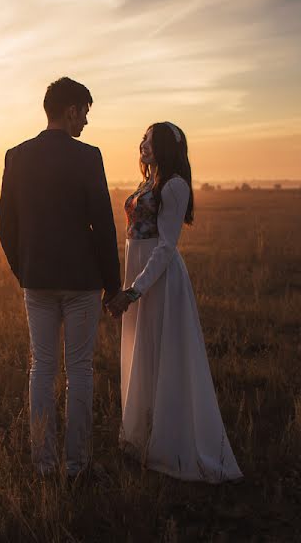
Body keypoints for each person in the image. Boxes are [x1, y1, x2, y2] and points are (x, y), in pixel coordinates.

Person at [0, 77, 124, 477]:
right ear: (71, 110)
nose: (86, 121)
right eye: (85, 112)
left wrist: (25, 269)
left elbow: (5, 225)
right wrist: (113, 285)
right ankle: (77, 464)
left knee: (43, 368)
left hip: (37, 280)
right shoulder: (88, 157)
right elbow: (103, 225)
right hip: (82, 281)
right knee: (81, 370)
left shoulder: (16, 156)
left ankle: (44, 464)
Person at [106, 121, 242, 482]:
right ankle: (142, 436)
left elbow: (166, 246)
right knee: (142, 355)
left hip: (160, 281)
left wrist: (135, 289)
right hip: (138, 273)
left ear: (166, 147)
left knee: (164, 355)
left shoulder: (175, 185)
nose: (143, 145)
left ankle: (171, 445)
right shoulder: (148, 183)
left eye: (150, 141)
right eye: (143, 139)